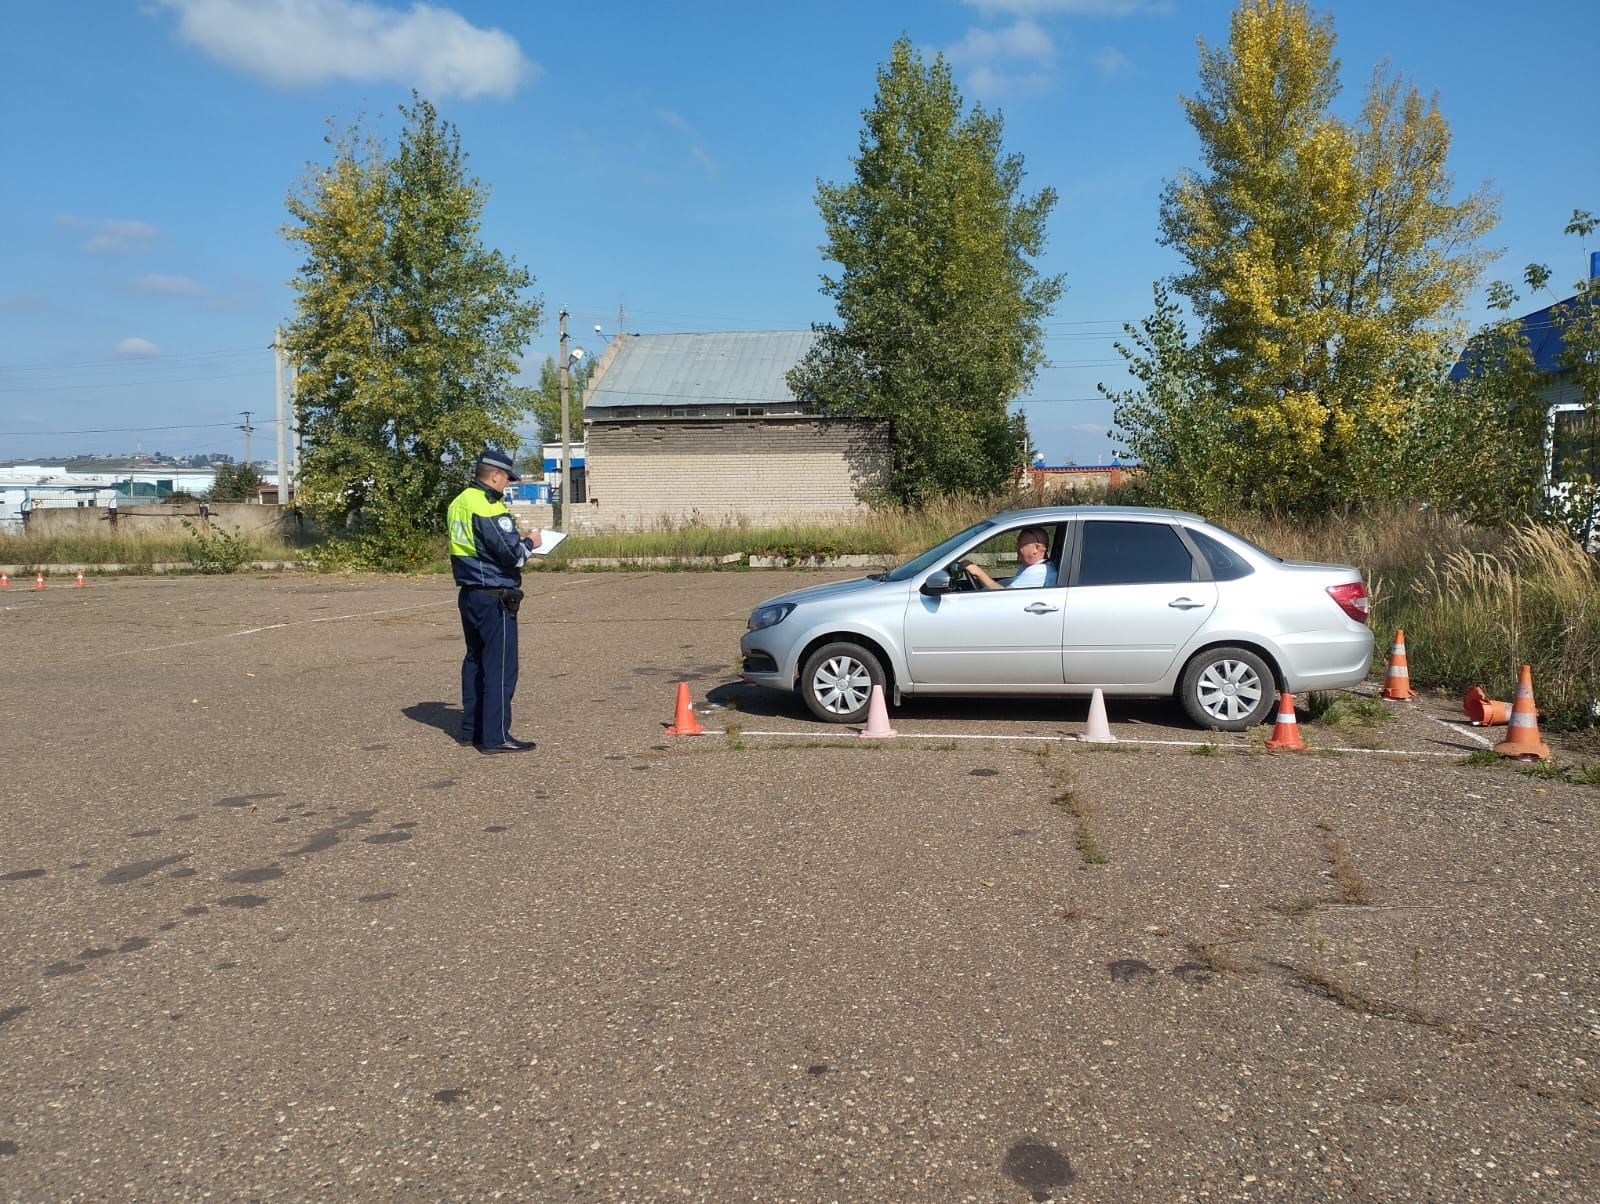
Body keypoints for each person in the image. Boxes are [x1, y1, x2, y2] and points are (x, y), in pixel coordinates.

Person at [448, 447, 541, 753]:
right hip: (495, 597)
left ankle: (471, 729)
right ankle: (495, 736)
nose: (508, 485)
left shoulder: (458, 502)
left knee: (474, 660)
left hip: (470, 593)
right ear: (496, 475)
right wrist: (531, 542)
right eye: (507, 480)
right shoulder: (487, 507)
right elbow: (512, 555)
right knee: (500, 666)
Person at [963, 526, 1057, 590]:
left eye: (1020, 543)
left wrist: (978, 573)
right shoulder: (1029, 567)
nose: (1016, 547)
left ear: (1036, 548)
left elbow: (1003, 596)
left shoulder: (1039, 571)